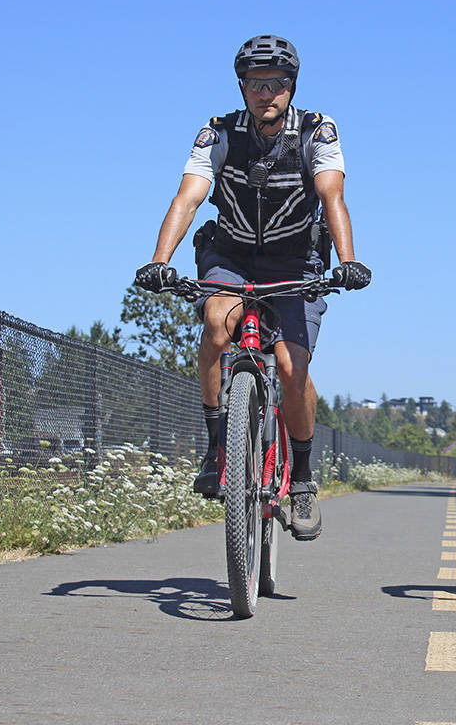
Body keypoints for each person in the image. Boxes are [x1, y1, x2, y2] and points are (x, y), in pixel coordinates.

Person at [135, 35, 370, 542]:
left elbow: (333, 194)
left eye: (278, 84)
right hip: (231, 254)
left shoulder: (315, 130)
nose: (267, 93)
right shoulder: (218, 132)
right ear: (241, 87)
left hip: (295, 259)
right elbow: (188, 196)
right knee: (219, 327)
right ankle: (220, 443)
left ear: (292, 87)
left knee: (291, 366)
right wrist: (159, 261)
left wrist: (347, 261)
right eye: (256, 84)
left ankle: (303, 479)